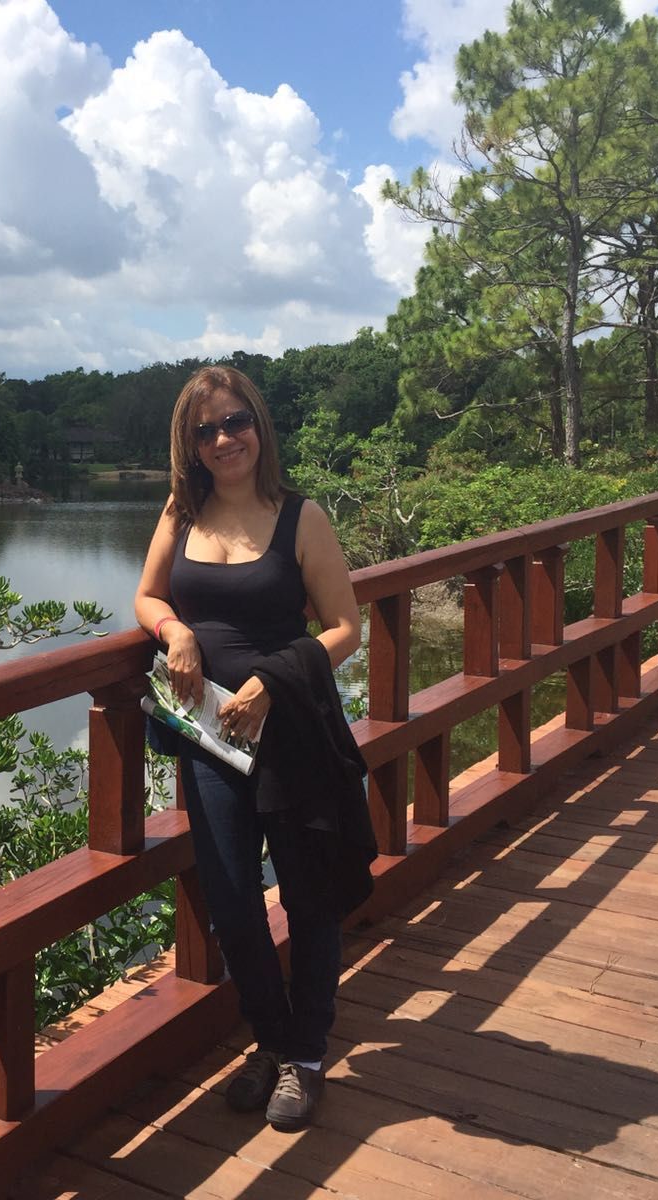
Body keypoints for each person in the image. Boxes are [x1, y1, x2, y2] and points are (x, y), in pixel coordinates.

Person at [134, 364, 375, 1132]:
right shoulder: (183, 512)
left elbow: (345, 627)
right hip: (212, 739)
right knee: (233, 900)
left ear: (259, 426)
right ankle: (271, 1040)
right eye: (205, 429)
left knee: (308, 896)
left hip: (291, 730)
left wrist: (272, 680)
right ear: (189, 443)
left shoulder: (301, 517)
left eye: (235, 422)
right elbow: (147, 594)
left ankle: (305, 1055)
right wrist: (173, 630)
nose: (223, 439)